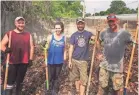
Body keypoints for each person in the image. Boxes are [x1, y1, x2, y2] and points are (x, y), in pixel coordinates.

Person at [97, 14, 135, 95]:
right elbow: (98, 41)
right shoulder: (104, 32)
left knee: (118, 89)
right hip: (104, 65)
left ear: (116, 21)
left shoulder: (124, 33)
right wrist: (99, 52)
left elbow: (133, 41)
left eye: (113, 22)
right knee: (102, 87)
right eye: (109, 22)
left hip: (117, 67)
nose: (111, 24)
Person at [0, 16, 34, 95]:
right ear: (15, 23)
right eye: (19, 23)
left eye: (22, 23)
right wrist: (5, 49)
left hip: (23, 62)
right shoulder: (10, 34)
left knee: (20, 82)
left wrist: (31, 59)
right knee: (9, 83)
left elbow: (32, 46)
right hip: (12, 62)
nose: (21, 25)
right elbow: (1, 44)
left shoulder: (28, 35)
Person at [68, 17, 94, 95]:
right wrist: (69, 61)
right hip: (74, 59)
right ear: (77, 24)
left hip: (83, 61)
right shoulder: (74, 35)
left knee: (83, 80)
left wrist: (97, 36)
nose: (80, 25)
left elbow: (94, 38)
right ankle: (77, 90)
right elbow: (71, 48)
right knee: (76, 78)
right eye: (79, 23)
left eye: (81, 23)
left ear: (84, 24)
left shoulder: (88, 33)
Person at [46, 21, 66, 94]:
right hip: (51, 60)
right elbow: (46, 48)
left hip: (59, 61)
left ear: (62, 28)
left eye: (59, 28)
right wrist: (44, 46)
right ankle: (48, 90)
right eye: (56, 28)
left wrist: (64, 59)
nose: (58, 29)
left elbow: (64, 49)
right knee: (50, 76)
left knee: (56, 76)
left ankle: (54, 90)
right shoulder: (50, 37)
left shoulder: (64, 37)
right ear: (54, 28)